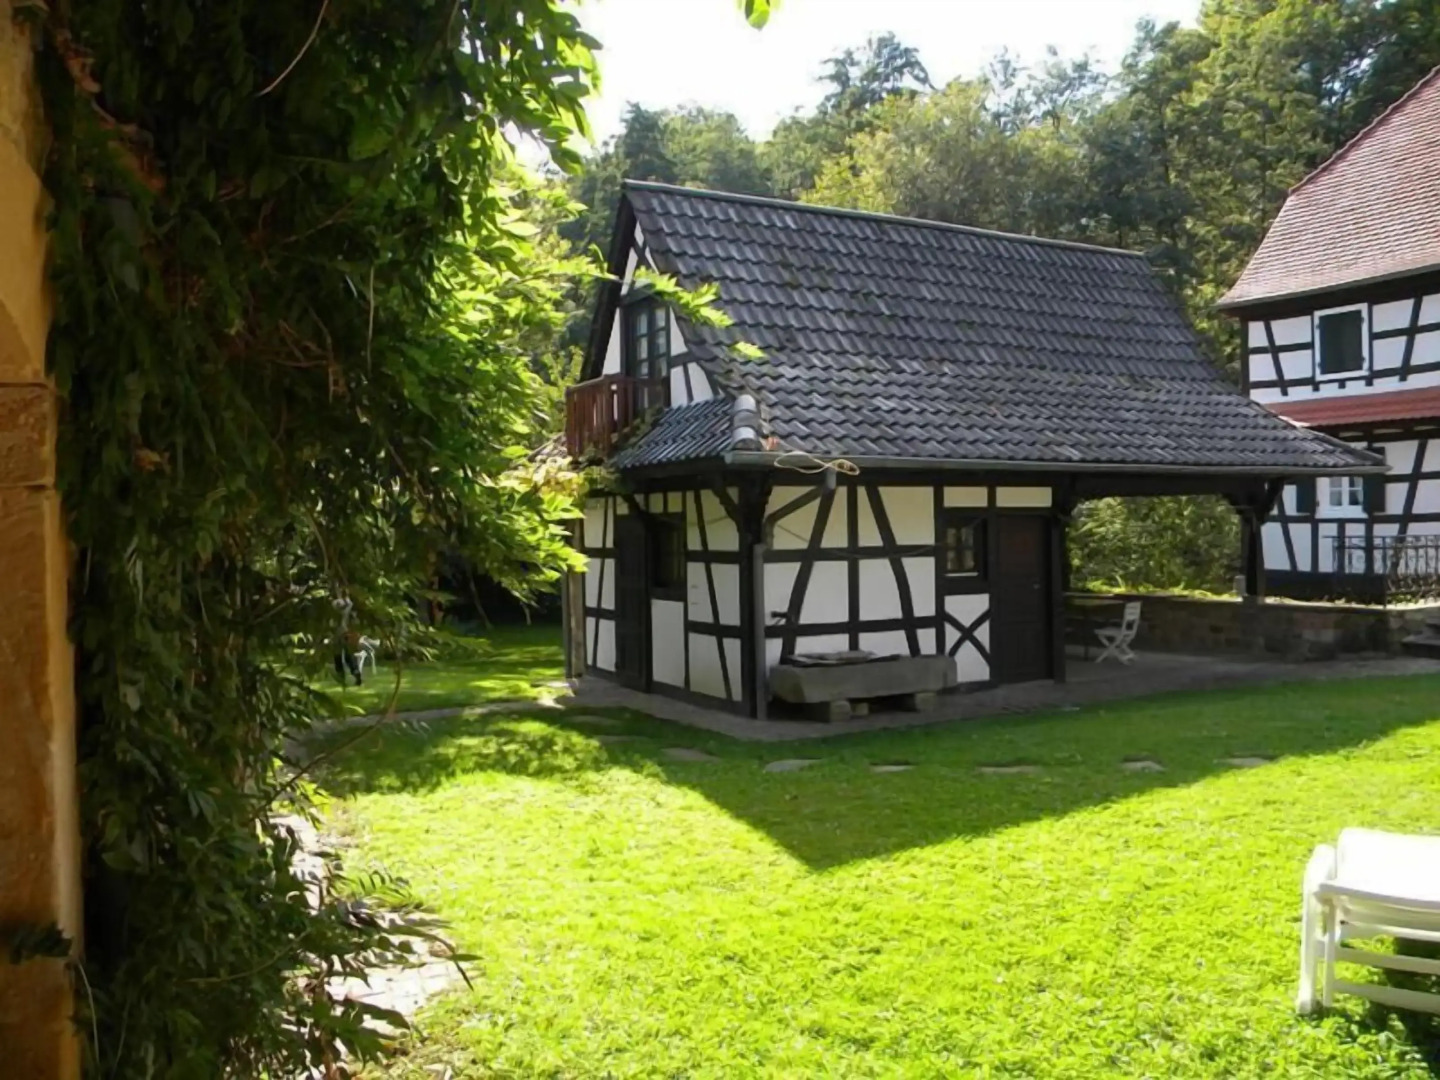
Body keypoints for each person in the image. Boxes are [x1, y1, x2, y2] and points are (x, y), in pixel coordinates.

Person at [333, 595, 362, 686]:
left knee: (341, 657)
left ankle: (344, 675)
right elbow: (349, 603)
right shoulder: (345, 612)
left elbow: (348, 604)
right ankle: (355, 673)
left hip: (341, 635)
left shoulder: (338, 613)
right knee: (347, 656)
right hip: (343, 635)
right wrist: (346, 598)